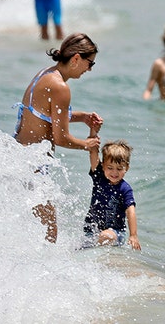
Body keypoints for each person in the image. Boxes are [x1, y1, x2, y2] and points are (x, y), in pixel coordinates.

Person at [15, 33, 103, 243]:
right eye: (90, 63)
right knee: (50, 233)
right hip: (34, 165)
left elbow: (46, 116)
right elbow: (62, 138)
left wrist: (82, 117)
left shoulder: (46, 74)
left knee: (34, 229)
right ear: (75, 59)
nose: (89, 69)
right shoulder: (61, 87)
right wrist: (88, 145)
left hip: (19, 156)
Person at [83, 140, 141, 250]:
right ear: (103, 165)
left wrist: (133, 235)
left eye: (119, 169)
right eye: (110, 168)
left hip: (116, 233)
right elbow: (93, 152)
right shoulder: (99, 178)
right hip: (91, 231)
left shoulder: (125, 189)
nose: (114, 172)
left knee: (106, 236)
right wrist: (93, 130)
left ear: (126, 168)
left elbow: (130, 211)